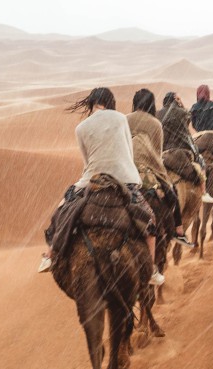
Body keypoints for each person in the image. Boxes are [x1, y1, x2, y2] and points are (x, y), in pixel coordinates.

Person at [38, 87, 165, 286]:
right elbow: (128, 151)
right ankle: (149, 270)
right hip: (124, 177)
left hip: (92, 177)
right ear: (110, 102)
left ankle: (50, 254)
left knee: (63, 210)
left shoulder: (81, 128)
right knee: (149, 220)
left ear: (91, 104)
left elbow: (86, 160)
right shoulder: (121, 118)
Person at [127, 88, 195, 248]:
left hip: (125, 167)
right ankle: (179, 231)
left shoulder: (125, 119)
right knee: (173, 193)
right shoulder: (155, 124)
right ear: (151, 104)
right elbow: (157, 154)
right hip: (147, 170)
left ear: (135, 103)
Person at [158, 91, 213, 204]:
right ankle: (203, 191)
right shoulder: (182, 112)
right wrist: (181, 104)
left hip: (163, 150)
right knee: (201, 162)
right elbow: (189, 117)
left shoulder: (158, 114)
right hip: (182, 148)